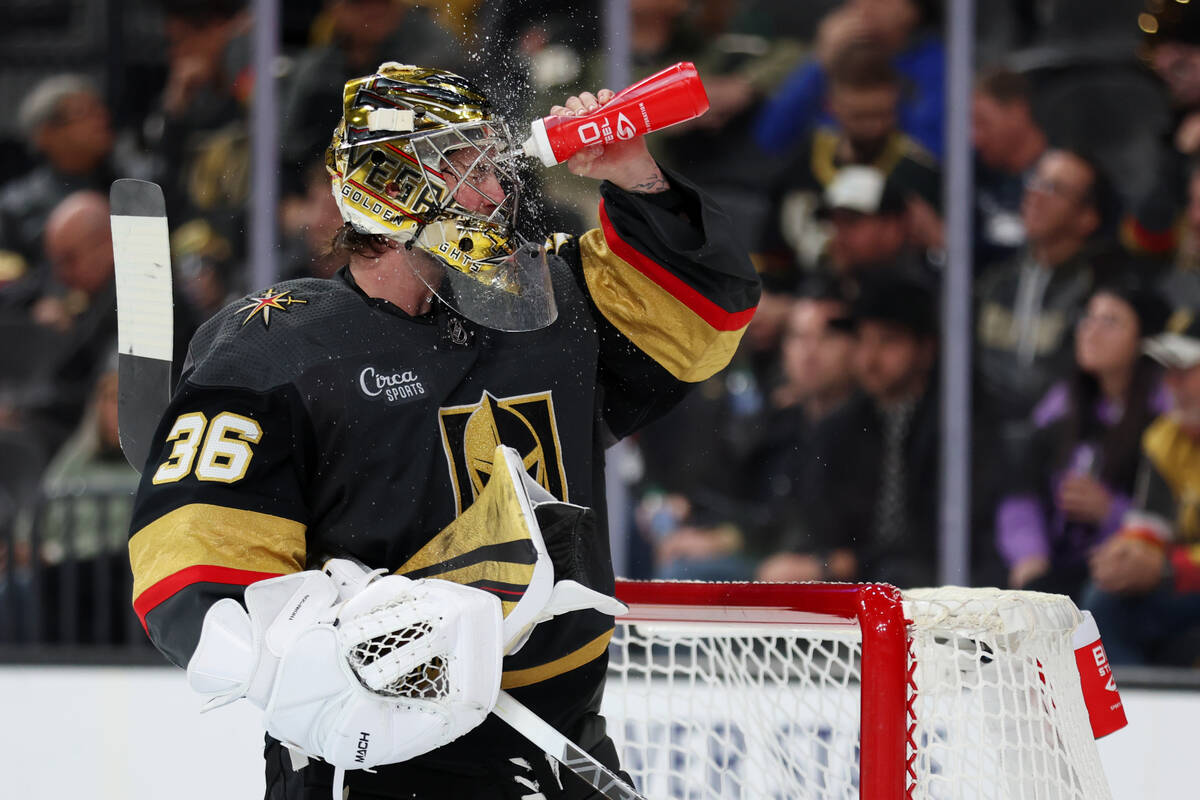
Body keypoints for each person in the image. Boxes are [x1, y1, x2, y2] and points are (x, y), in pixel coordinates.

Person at [126, 63, 759, 799]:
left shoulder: (550, 302)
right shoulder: (276, 350)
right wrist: (296, 655)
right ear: (392, 182)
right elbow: (191, 561)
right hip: (376, 766)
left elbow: (705, 320)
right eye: (468, 169)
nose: (497, 193)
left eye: (492, 166)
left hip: (562, 748)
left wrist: (636, 177)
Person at [995, 282, 1170, 602]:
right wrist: (1029, 555)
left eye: (1110, 321)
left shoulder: (1165, 415)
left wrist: (1110, 512)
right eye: (1088, 318)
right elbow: (1021, 487)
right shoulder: (1061, 405)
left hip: (1125, 576)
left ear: (1144, 340)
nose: (1091, 331)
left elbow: (1174, 519)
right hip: (1055, 565)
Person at [755, 43, 941, 282]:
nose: (873, 127)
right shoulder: (801, 166)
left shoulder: (920, 173)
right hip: (801, 296)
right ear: (831, 106)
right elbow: (771, 257)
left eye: (883, 114)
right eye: (859, 116)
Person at [803, 270, 940, 587]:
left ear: (925, 349)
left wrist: (853, 562)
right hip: (855, 581)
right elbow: (819, 521)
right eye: (862, 340)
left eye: (887, 341)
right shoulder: (841, 427)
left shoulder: (952, 428)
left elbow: (933, 537)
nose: (870, 358)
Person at [1083, 312, 1200, 665]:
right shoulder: (1165, 437)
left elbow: (1165, 567)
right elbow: (1150, 525)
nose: (1172, 382)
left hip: (1186, 575)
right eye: (1169, 370)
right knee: (1104, 599)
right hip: (1186, 581)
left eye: (1186, 370)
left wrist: (1165, 568)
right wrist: (1126, 553)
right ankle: (1124, 699)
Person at [975, 147, 1114, 428]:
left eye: (1054, 189)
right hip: (982, 435)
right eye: (1035, 181)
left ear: (1087, 218)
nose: (1034, 195)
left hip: (1060, 437)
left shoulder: (1097, 294)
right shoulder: (993, 281)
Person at [972, 66, 1048, 267]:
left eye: (982, 122)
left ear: (1017, 112)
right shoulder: (972, 178)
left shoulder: (1063, 179)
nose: (974, 137)